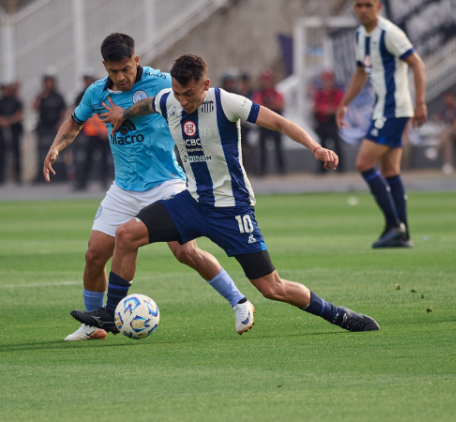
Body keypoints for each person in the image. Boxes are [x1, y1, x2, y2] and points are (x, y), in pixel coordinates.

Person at [72, 53, 379, 335]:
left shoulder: (226, 102)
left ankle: (339, 315)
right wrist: (124, 114)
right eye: (177, 93)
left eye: (189, 94)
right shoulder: (169, 100)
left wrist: (315, 147)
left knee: (272, 288)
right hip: (192, 203)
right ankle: (111, 313)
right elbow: (148, 104)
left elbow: (280, 122)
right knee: (126, 234)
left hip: (233, 211)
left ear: (205, 85)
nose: (182, 101)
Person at [43, 33, 252, 341]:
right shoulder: (96, 93)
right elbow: (74, 122)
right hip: (124, 188)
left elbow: (197, 98)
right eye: (114, 71)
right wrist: (55, 148)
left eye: (126, 68)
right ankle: (93, 325)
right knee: (94, 255)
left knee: (184, 251)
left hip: (167, 182)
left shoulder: (161, 82)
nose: (121, 76)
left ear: (136, 60)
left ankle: (239, 302)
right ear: (105, 67)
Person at [336, 0, 427, 248]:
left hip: (394, 109)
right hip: (383, 109)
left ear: (378, 6)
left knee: (363, 163)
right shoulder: (360, 36)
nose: (363, 9)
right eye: (358, 5)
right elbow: (359, 73)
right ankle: (403, 233)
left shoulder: (390, 33)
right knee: (390, 172)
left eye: (368, 4)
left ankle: (394, 225)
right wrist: (344, 103)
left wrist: (420, 102)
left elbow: (417, 64)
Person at [73, 73, 111, 191]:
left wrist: (105, 129)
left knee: (105, 159)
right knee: (88, 158)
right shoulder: (84, 95)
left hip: (103, 132)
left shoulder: (104, 95)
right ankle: (82, 182)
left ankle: (104, 181)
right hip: (93, 132)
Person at [33, 75, 66, 183]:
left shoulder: (58, 96)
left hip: (55, 128)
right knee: (42, 152)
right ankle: (42, 176)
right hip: (43, 128)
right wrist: (40, 97)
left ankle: (59, 175)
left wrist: (60, 123)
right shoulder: (42, 96)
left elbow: (63, 110)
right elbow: (34, 107)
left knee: (57, 152)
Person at [253, 69, 285, 175]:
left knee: (279, 147)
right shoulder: (259, 93)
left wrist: (269, 105)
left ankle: (281, 170)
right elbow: (256, 105)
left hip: (275, 124)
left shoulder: (276, 92)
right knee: (262, 147)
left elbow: (280, 104)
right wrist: (270, 105)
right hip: (263, 124)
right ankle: (262, 171)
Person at [0, 82, 24, 185]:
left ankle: (18, 176)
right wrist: (2, 121)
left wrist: (9, 121)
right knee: (1, 154)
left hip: (14, 130)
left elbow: (20, 114)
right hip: (1, 131)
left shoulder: (15, 101)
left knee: (16, 154)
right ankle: (0, 177)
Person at [313, 71, 345, 173]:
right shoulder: (319, 94)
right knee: (321, 147)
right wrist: (323, 109)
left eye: (329, 80)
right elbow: (315, 107)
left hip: (332, 122)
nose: (327, 83)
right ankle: (322, 169)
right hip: (322, 122)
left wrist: (331, 110)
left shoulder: (337, 93)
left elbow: (341, 107)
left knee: (337, 145)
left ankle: (340, 168)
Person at [433, 92, 456, 175]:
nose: (448, 101)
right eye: (446, 99)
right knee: (447, 140)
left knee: (447, 131)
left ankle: (435, 149)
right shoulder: (443, 110)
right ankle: (448, 164)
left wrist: (443, 131)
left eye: (450, 98)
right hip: (447, 135)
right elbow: (436, 119)